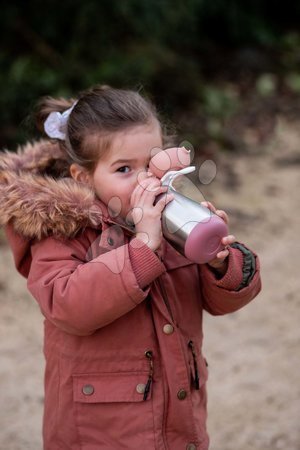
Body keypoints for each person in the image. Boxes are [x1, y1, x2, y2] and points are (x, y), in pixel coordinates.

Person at [0, 85, 261, 450]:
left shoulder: (174, 217)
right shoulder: (62, 231)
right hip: (98, 430)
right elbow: (67, 305)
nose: (144, 181)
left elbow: (219, 303)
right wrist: (141, 249)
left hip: (176, 414)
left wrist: (221, 263)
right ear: (84, 178)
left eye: (150, 164)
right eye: (124, 169)